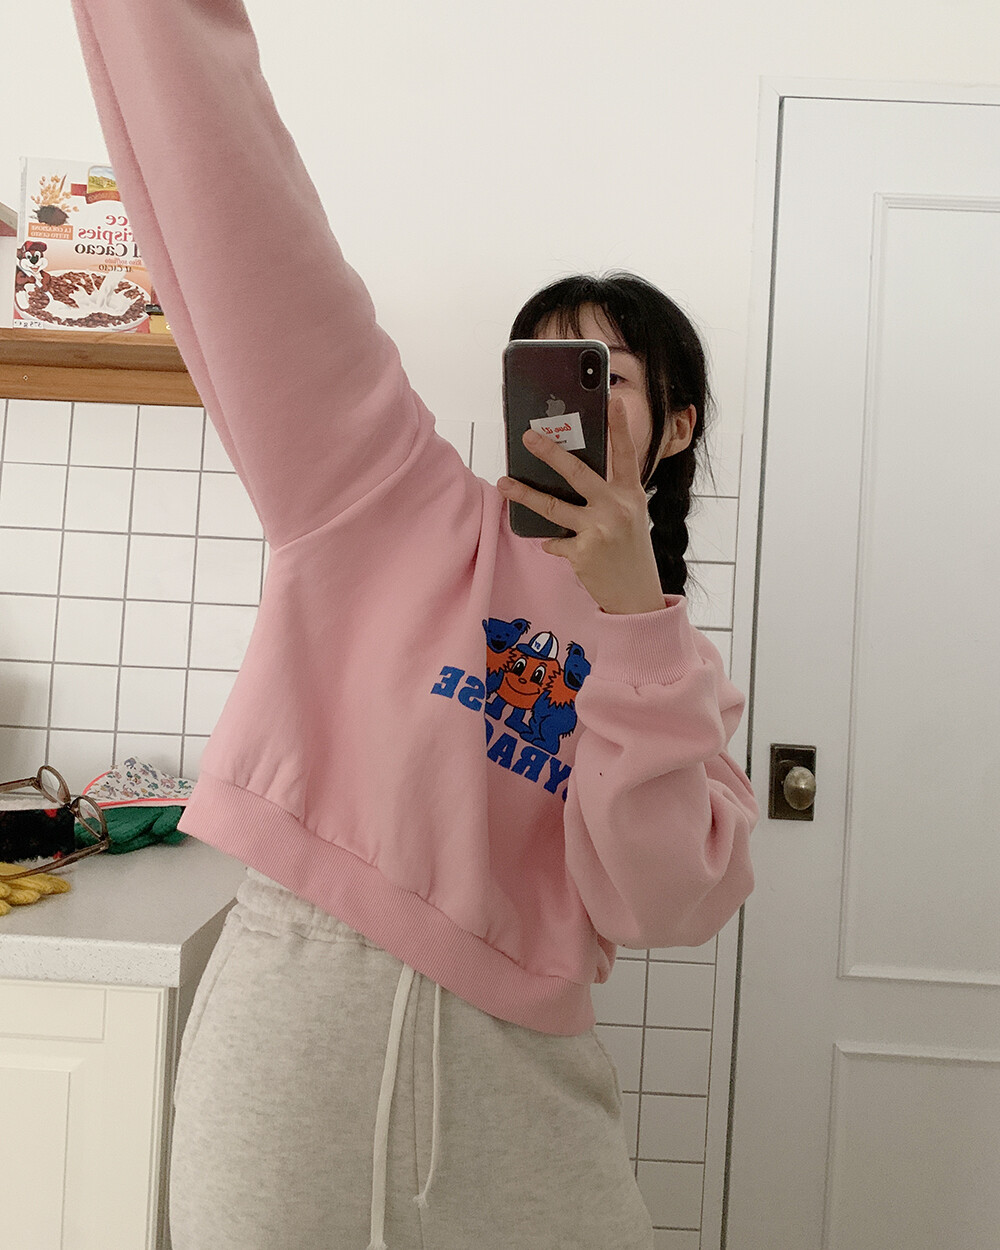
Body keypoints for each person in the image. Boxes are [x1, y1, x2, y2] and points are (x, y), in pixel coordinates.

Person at [69, 4, 759, 1248]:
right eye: (544, 375)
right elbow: (246, 228)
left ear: (677, 426)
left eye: (605, 380)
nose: (569, 410)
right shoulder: (386, 505)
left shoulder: (678, 673)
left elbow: (661, 901)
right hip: (294, 1040)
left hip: (524, 1094)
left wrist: (630, 615)